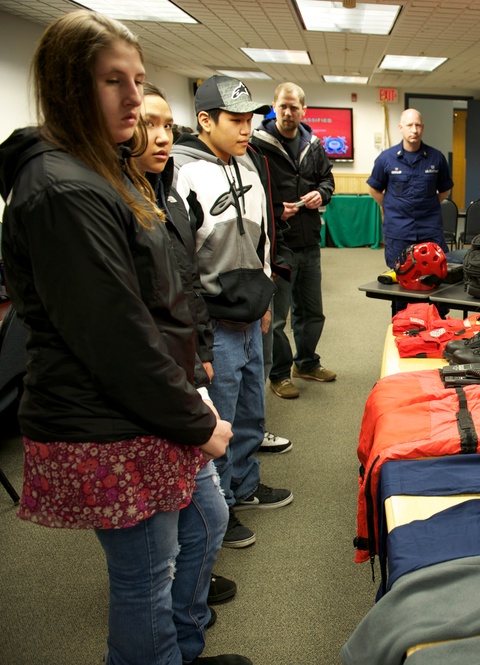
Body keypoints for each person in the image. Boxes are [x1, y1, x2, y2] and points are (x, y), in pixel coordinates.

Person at [0, 11, 248, 665]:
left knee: (203, 526)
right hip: (110, 417)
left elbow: (164, 284)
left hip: (148, 403)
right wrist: (195, 418)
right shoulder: (60, 188)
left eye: (137, 80)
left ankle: (184, 648)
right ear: (66, 85)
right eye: (114, 81)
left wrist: (191, 369)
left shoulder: (106, 167)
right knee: (145, 576)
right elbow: (115, 334)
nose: (135, 99)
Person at [172, 75, 293, 549]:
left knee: (249, 409)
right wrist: (198, 335)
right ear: (206, 121)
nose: (247, 130)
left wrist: (264, 299)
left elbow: (262, 238)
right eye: (235, 121)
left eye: (249, 120)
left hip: (250, 313)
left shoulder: (248, 166)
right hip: (215, 320)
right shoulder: (183, 173)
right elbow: (183, 262)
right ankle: (218, 509)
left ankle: (244, 485)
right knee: (218, 421)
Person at [135, 81, 238, 608]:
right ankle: (177, 619)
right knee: (150, 560)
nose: (159, 137)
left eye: (163, 125)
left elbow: (183, 283)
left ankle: (186, 611)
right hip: (149, 393)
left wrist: (199, 351)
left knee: (203, 513)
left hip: (182, 367)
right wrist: (191, 395)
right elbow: (126, 327)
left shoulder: (166, 187)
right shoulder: (113, 202)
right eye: (144, 123)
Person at [251, 82, 337, 400]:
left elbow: (327, 179)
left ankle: (307, 363)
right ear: (274, 107)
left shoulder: (313, 144)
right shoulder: (257, 145)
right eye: (282, 106)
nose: (287, 113)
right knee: (277, 319)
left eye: (293, 107)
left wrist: (322, 192)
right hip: (279, 246)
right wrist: (276, 210)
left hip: (309, 242)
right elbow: (252, 191)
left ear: (304, 110)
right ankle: (279, 374)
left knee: (312, 311)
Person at [367, 108, 454, 315]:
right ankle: (403, 326)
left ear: (422, 127)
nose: (414, 130)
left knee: (436, 280)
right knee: (401, 283)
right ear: (400, 128)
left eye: (418, 125)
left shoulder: (436, 157)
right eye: (409, 125)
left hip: (429, 229)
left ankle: (438, 326)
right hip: (399, 232)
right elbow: (374, 189)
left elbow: (445, 190)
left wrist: (428, 205)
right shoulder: (386, 159)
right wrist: (392, 207)